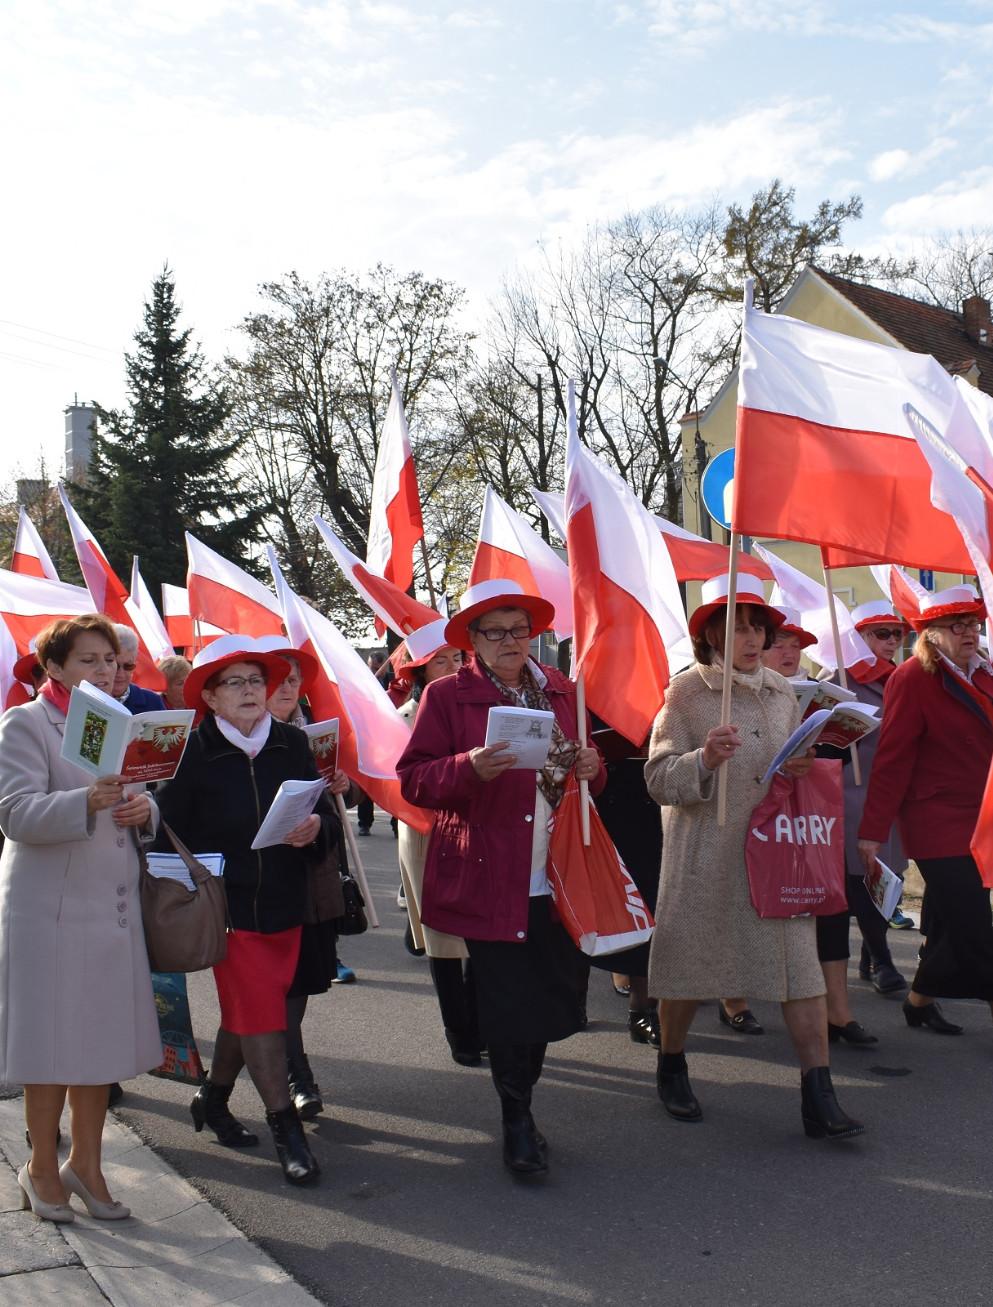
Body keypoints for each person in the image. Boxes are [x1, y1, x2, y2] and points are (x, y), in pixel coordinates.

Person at [645, 574, 864, 1141]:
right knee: (690, 970)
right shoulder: (685, 694)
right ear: (711, 636)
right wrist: (703, 759)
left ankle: (820, 1096)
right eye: (737, 627)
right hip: (707, 857)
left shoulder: (783, 691)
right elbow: (658, 778)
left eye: (757, 628)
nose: (750, 638)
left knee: (800, 971)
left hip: (779, 855)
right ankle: (672, 1063)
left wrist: (801, 763)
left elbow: (789, 762)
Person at [397, 579, 604, 1175]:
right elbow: (413, 780)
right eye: (496, 632)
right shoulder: (446, 697)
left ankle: (524, 1101)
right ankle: (516, 1118)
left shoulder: (563, 692)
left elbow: (588, 776)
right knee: (508, 1005)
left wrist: (593, 767)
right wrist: (469, 767)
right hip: (491, 872)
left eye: (520, 630)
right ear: (474, 642)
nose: (512, 641)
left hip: (559, 870)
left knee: (544, 999)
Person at [155, 635, 339, 1185]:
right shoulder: (192, 751)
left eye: (256, 680)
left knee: (246, 1012)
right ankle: (287, 1129)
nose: (249, 690)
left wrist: (315, 829)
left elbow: (325, 814)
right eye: (233, 682)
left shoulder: (291, 742)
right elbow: (168, 834)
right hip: (227, 907)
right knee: (263, 1016)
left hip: (288, 902)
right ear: (209, 698)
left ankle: (212, 1101)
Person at [0, 614, 162, 1222]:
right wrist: (85, 800)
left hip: (113, 909)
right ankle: (42, 1165)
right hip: (51, 911)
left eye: (113, 661)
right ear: (55, 666)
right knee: (50, 1049)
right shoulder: (26, 722)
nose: (106, 671)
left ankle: (86, 1166)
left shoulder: (121, 726)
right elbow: (15, 814)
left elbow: (140, 803)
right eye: (90, 660)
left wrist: (141, 809)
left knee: (99, 1047)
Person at [859, 585, 993, 1036]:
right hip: (938, 822)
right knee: (975, 925)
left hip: (984, 819)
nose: (968, 632)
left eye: (973, 622)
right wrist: (872, 831)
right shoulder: (913, 677)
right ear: (931, 634)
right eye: (956, 625)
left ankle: (918, 1002)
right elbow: (892, 760)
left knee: (954, 924)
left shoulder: (986, 672)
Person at [764, 607, 877, 1048]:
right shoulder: (736, 693)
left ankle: (839, 1013)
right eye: (781, 642)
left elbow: (833, 759)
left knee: (830, 906)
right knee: (756, 908)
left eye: (798, 645)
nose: (791, 652)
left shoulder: (821, 691)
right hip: (760, 817)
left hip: (813, 817)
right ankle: (733, 999)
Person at [255, 636, 352, 1118]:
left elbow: (340, 808)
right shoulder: (243, 738)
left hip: (313, 877)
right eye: (280, 679)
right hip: (262, 883)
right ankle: (295, 1074)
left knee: (302, 982)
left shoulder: (313, 733)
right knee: (277, 987)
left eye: (296, 680)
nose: (289, 687)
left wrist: (341, 789)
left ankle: (224, 1090)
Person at [392, 620, 479, 1065]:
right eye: (438, 661)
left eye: (455, 658)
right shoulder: (405, 718)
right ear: (419, 672)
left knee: (480, 932)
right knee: (443, 939)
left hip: (472, 830)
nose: (450, 667)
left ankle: (480, 1018)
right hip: (427, 832)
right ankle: (458, 1029)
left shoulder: (476, 708)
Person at [843, 602, 912, 995]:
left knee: (892, 878)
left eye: (895, 634)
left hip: (896, 793)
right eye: (880, 634)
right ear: (860, 637)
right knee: (863, 875)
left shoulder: (904, 678)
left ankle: (873, 952)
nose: (890, 641)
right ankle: (883, 959)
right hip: (852, 791)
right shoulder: (837, 677)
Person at [589, 722, 662, 1046]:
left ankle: (644, 1010)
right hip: (607, 795)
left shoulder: (669, 684)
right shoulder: (584, 686)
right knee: (608, 898)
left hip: (653, 792)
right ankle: (576, 997)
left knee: (650, 899)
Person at [111, 625, 164, 711]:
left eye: (128, 666)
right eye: (116, 666)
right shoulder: (89, 699)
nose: (121, 674)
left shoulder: (153, 702)